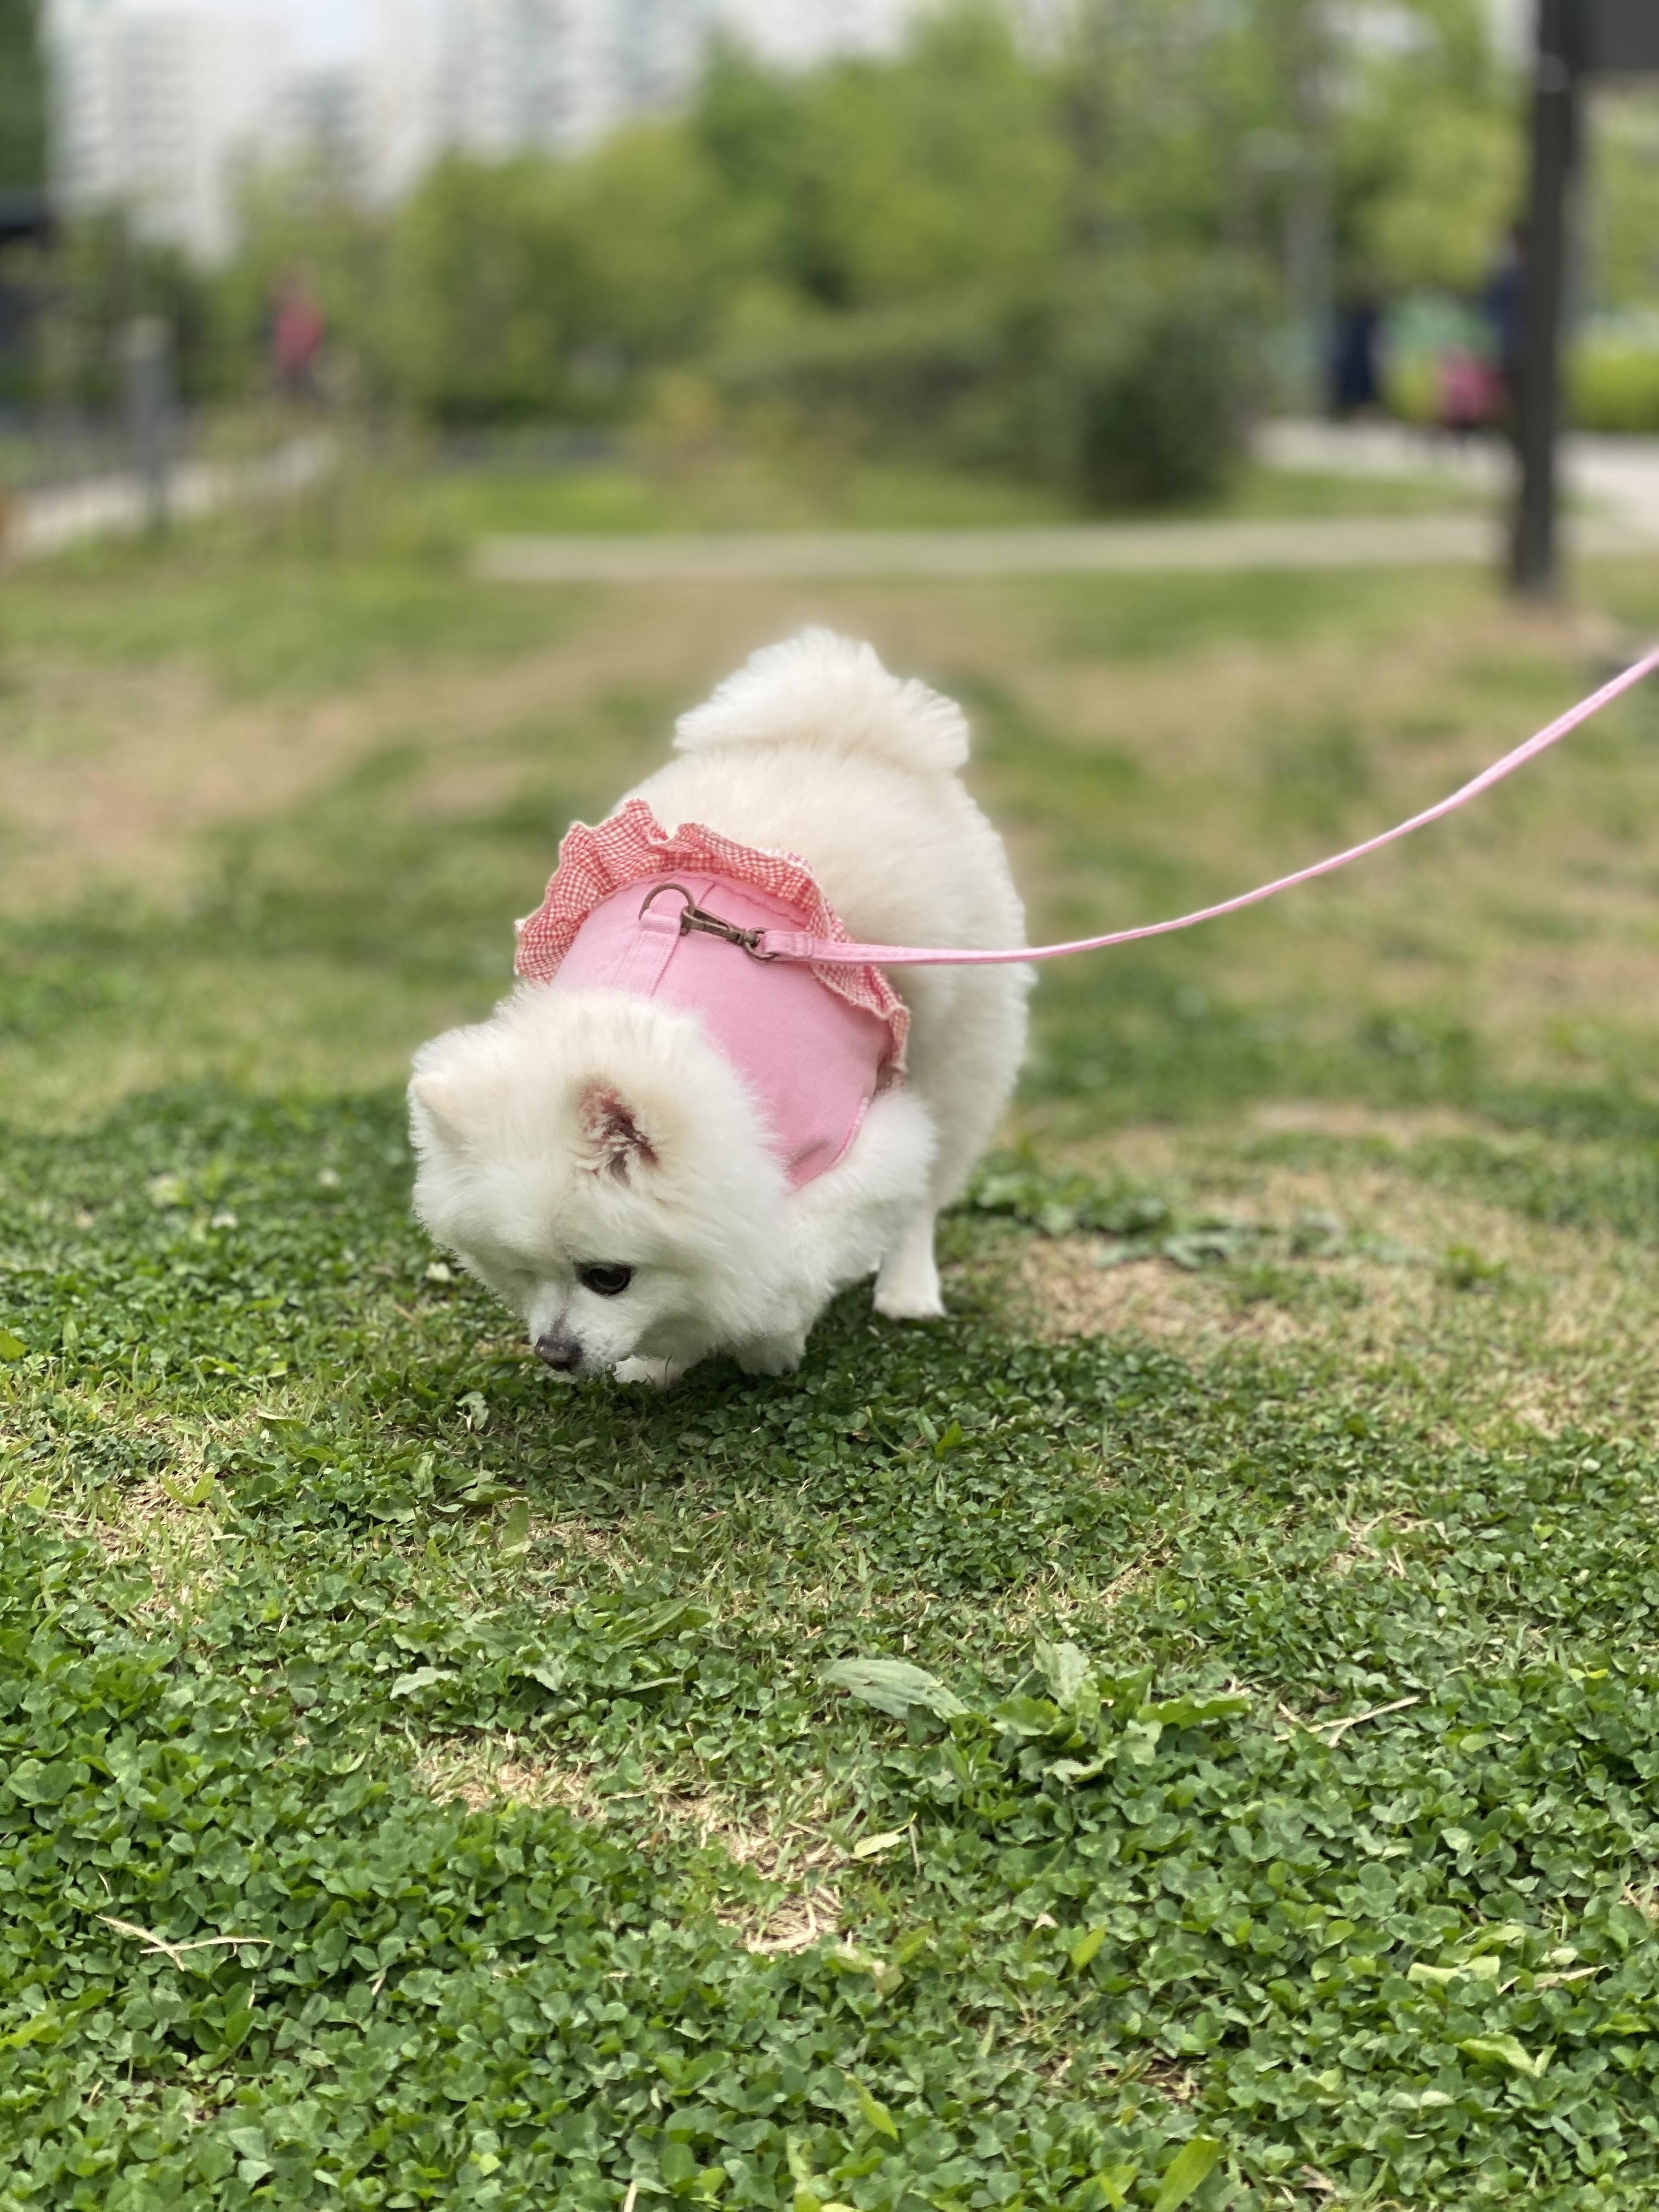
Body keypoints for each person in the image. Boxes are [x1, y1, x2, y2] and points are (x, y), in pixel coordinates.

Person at [270, 270, 325, 403]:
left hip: (306, 364)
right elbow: (280, 340)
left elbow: (316, 336)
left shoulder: (311, 310)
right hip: (288, 365)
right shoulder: (284, 313)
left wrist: (306, 356)